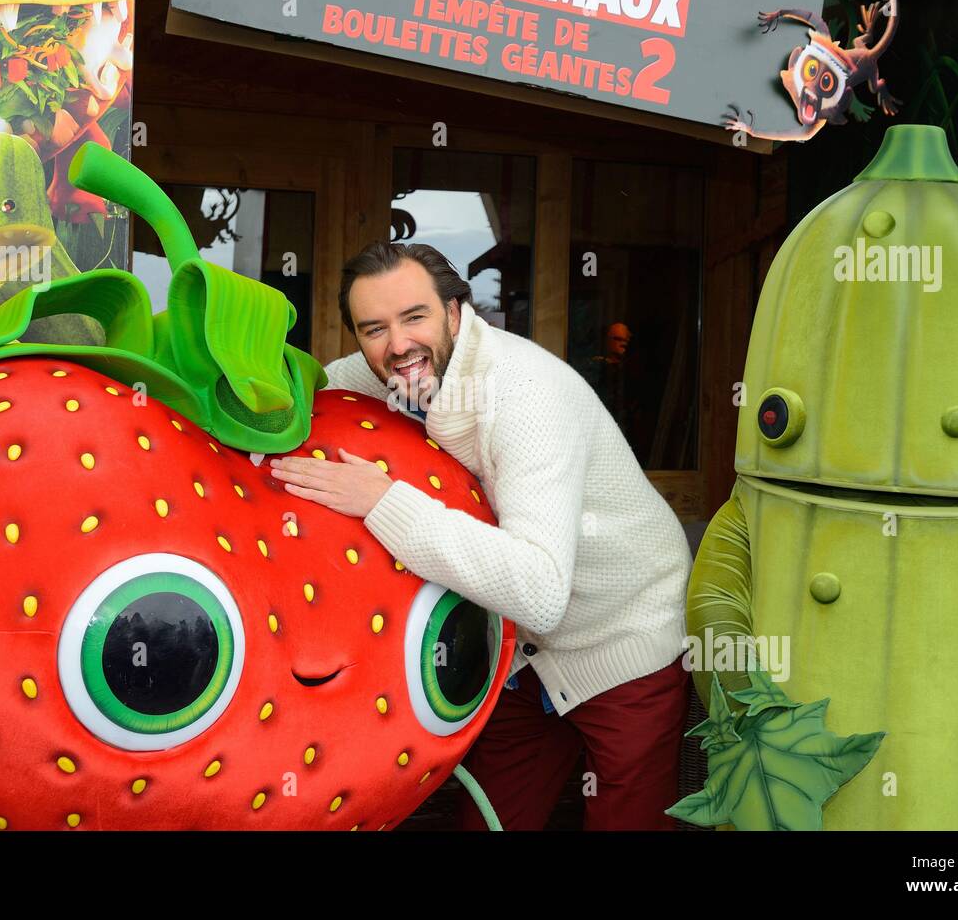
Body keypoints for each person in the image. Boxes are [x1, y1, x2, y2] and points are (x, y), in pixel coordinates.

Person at [268, 241, 692, 829]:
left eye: (414, 317)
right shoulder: (381, 375)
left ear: (456, 310)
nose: (397, 345)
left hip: (620, 637)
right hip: (521, 656)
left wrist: (383, 503)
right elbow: (298, 389)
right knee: (489, 820)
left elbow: (540, 591)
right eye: (374, 328)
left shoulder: (524, 393)